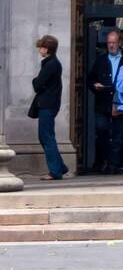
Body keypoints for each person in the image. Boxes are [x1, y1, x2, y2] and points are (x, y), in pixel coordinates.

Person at [87, 28, 123, 174]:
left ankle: (114, 164)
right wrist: (94, 85)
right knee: (101, 132)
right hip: (103, 102)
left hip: (120, 102)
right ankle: (101, 162)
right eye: (109, 43)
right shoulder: (100, 60)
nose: (111, 45)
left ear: (119, 43)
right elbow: (90, 78)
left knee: (118, 134)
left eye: (113, 43)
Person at [29, 35, 69, 181]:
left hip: (47, 105)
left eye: (41, 47)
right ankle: (60, 167)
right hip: (49, 104)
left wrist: (35, 80)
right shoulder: (52, 63)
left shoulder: (51, 64)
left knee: (46, 137)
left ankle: (55, 171)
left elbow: (37, 84)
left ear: (47, 49)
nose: (40, 50)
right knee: (45, 136)